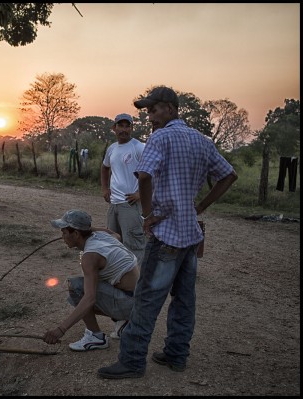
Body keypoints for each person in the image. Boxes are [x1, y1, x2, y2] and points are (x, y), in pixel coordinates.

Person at [97, 86, 238, 379]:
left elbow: (145, 176)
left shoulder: (160, 137)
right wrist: (200, 207)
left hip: (166, 235)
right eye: (147, 111)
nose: (149, 117)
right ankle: (176, 354)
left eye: (153, 110)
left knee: (147, 297)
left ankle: (133, 361)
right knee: (184, 299)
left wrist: (147, 215)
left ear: (171, 109)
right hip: (190, 233)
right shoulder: (202, 140)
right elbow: (228, 175)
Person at [42, 209, 139, 351]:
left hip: (132, 305)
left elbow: (90, 299)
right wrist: (86, 228)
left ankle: (96, 337)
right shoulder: (102, 236)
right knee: (94, 281)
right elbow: (116, 234)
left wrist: (60, 329)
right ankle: (124, 321)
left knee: (76, 286)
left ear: (76, 234)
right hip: (140, 300)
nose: (62, 236)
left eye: (64, 232)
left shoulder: (90, 256)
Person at [100, 113, 146, 265]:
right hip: (114, 205)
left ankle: (136, 284)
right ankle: (120, 279)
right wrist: (105, 189)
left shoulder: (139, 147)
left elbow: (155, 172)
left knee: (134, 246)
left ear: (132, 128)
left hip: (131, 205)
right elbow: (105, 168)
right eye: (121, 125)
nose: (124, 129)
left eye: (128, 126)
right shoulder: (112, 149)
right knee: (113, 243)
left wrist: (141, 194)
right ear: (114, 128)